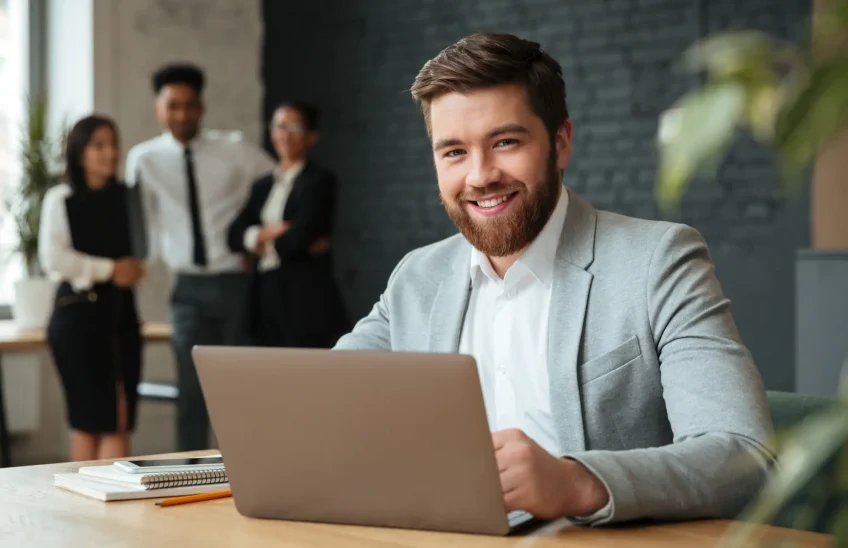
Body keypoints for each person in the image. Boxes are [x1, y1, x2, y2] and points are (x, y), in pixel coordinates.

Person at [334, 32, 776, 525]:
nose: (480, 176)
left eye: (505, 142)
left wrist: (574, 482)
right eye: (454, 152)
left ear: (560, 143)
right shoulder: (417, 277)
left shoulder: (658, 261)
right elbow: (321, 402)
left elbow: (745, 458)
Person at [125, 63, 276, 451]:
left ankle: (249, 471)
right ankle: (189, 476)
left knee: (239, 388)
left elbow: (278, 184)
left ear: (202, 108)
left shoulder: (234, 149)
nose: (181, 115)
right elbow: (138, 222)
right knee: (190, 394)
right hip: (186, 288)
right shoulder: (144, 159)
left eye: (189, 105)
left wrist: (256, 238)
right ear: (159, 108)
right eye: (172, 105)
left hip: (234, 284)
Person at [39, 115, 145, 461]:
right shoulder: (61, 198)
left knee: (119, 417)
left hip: (121, 315)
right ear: (79, 152)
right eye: (98, 145)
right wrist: (109, 269)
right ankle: (81, 509)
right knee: (89, 419)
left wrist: (133, 269)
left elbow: (143, 252)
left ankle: (114, 508)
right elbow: (53, 257)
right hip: (78, 316)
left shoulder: (127, 198)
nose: (110, 152)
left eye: (113, 143)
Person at [227, 102, 350, 348]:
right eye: (280, 126)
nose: (285, 134)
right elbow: (232, 236)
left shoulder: (319, 181)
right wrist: (264, 236)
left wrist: (258, 244)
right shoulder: (262, 185)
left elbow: (302, 236)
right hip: (264, 293)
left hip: (304, 296)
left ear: (311, 136)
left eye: (295, 127)